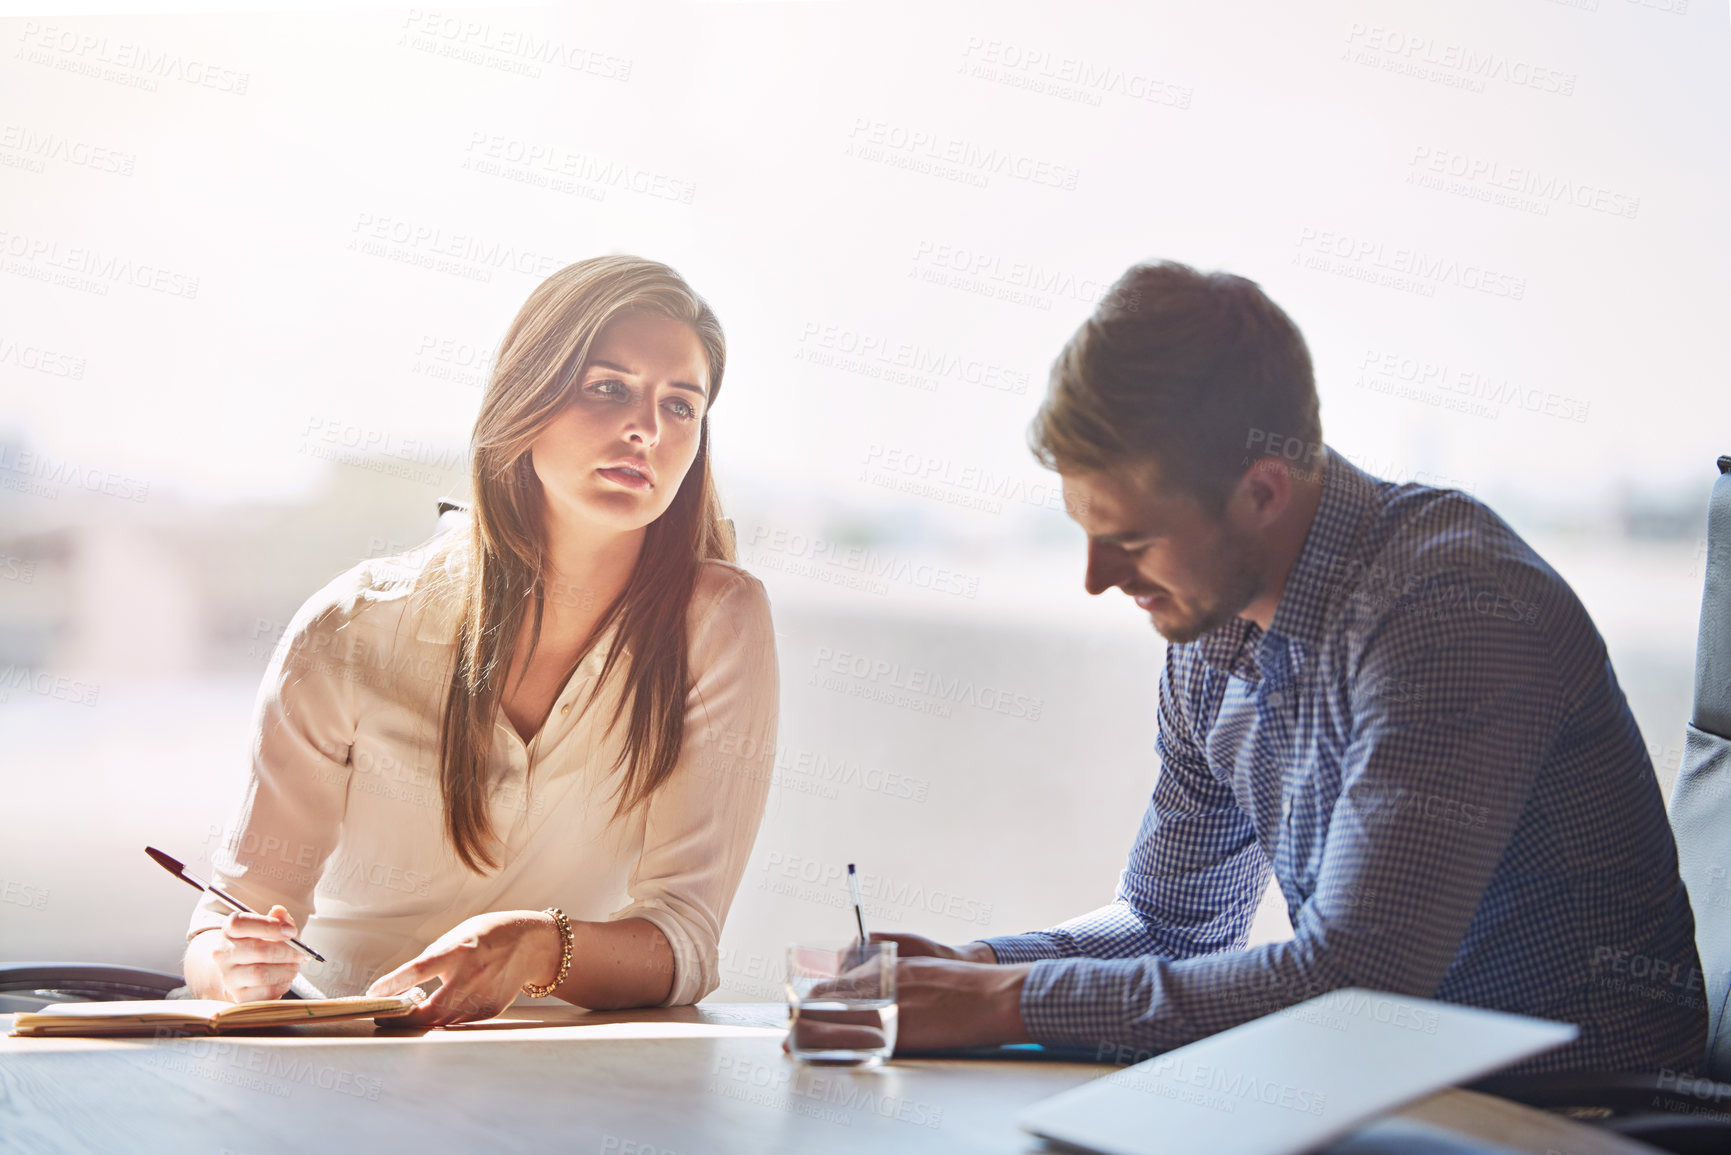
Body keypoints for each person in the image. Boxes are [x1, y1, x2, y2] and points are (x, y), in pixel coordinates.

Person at [880, 260, 1708, 1075]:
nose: (1096, 579)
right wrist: (974, 965)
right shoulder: (1209, 632)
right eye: (1083, 532)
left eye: (1130, 541)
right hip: (1391, 1094)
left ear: (1263, 492)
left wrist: (1007, 1003)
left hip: (1578, 1114)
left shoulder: (1448, 611)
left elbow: (1353, 988)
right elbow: (1174, 924)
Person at [183, 256, 779, 1027]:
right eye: (608, 387)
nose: (646, 428)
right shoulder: (350, 625)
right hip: (335, 1052)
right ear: (522, 398)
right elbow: (223, 925)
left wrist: (537, 947)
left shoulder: (717, 621)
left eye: (681, 406)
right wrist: (232, 966)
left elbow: (685, 943)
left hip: (561, 1076)